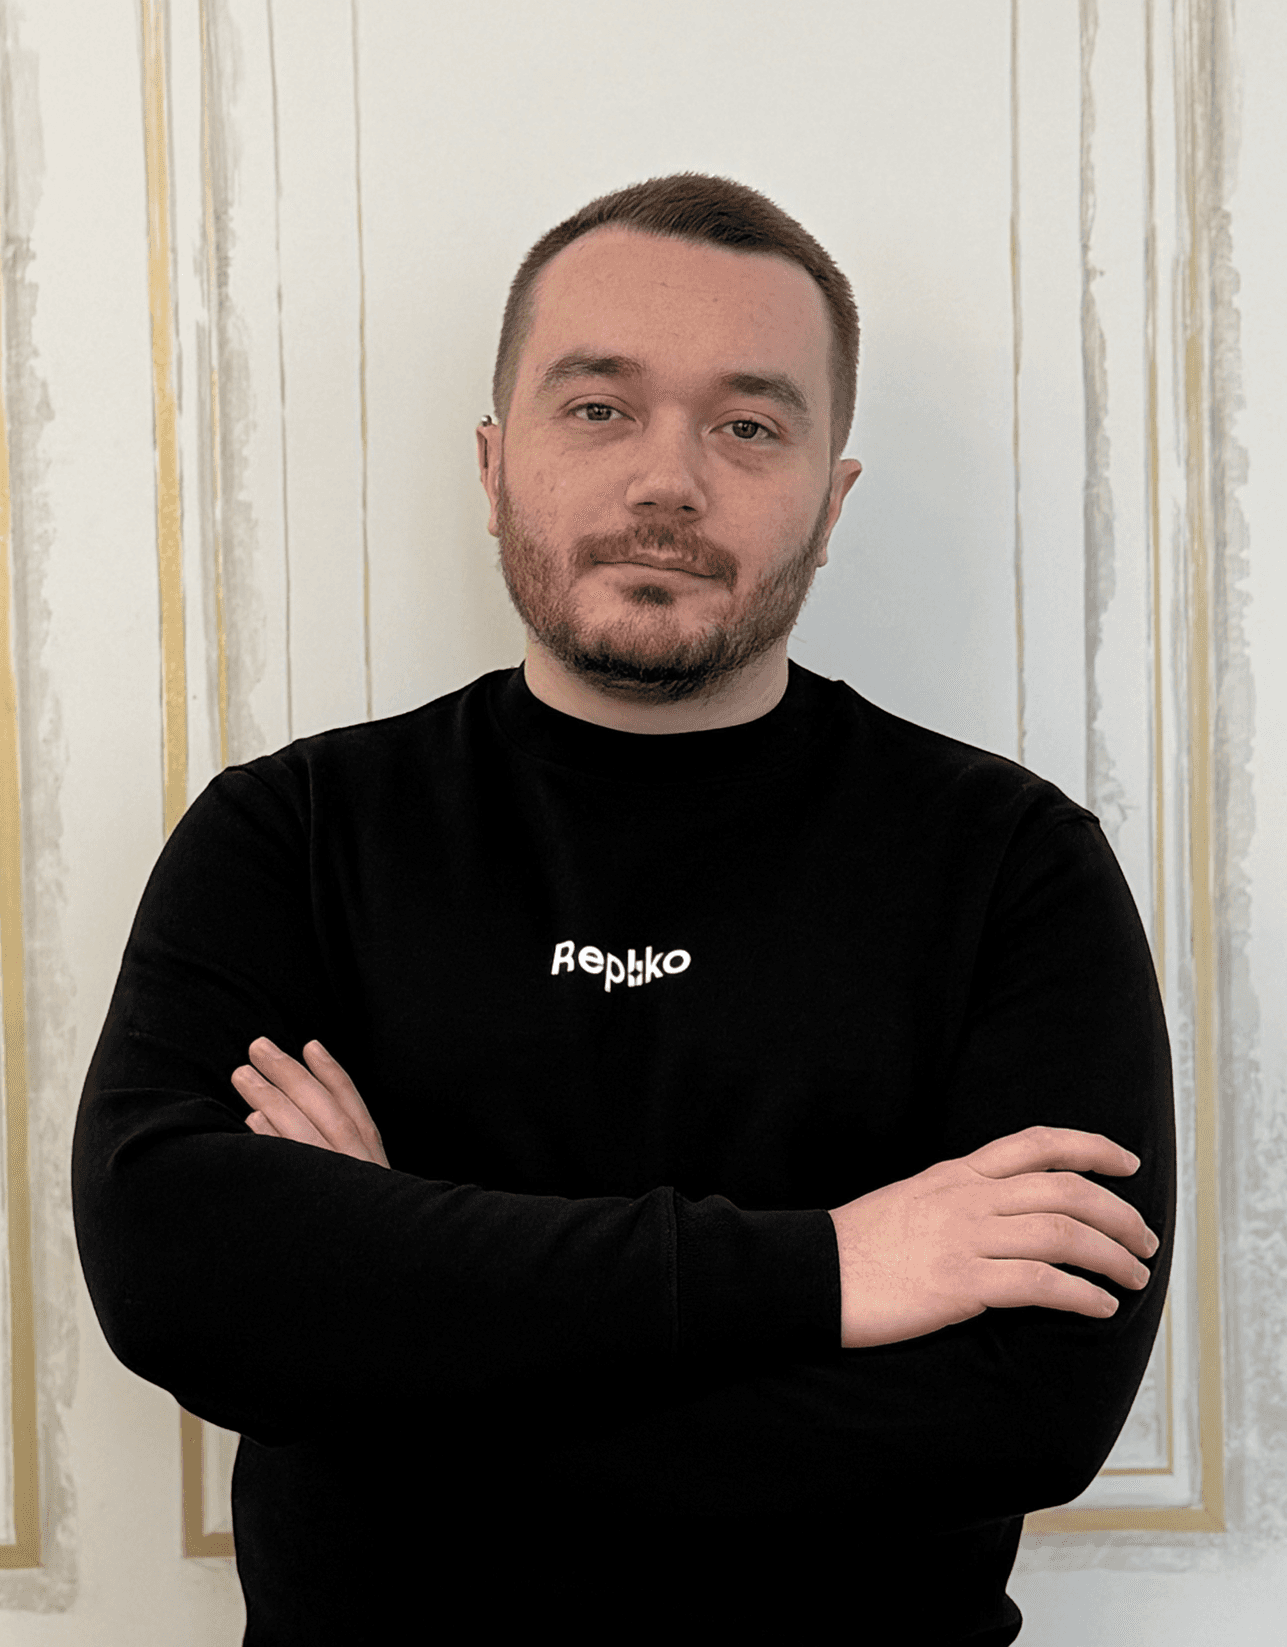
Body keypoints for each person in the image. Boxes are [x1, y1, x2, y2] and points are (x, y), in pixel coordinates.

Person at [73, 174, 1174, 1644]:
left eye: (748, 423)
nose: (667, 478)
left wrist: (385, 1301)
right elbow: (174, 1271)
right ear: (492, 460)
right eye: (597, 408)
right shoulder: (296, 830)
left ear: (831, 497)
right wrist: (833, 1266)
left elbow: (1020, 1413)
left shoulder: (1012, 864)